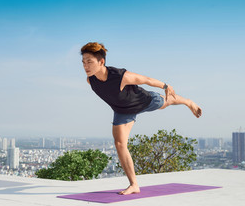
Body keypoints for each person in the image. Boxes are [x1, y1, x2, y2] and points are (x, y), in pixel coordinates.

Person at [81, 42, 202, 195]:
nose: (85, 66)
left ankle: (188, 102)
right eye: (83, 62)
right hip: (122, 111)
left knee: (167, 102)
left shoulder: (120, 76)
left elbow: (146, 80)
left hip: (143, 101)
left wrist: (165, 86)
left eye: (89, 61)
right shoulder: (90, 80)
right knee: (119, 144)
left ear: (101, 62)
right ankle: (134, 185)